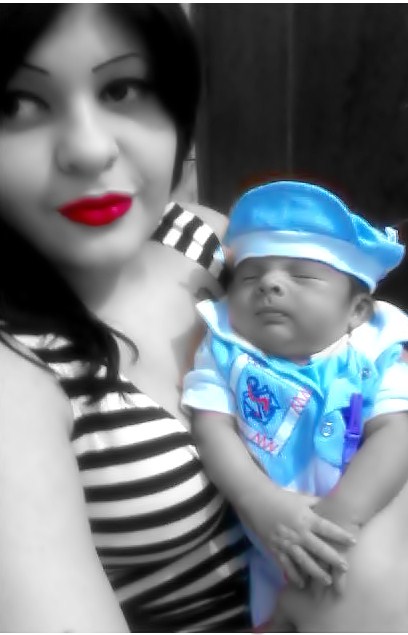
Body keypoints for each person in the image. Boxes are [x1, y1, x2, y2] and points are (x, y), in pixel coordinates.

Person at [0, 4, 251, 632]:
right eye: (16, 104)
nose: (88, 150)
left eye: (121, 89)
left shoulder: (206, 240)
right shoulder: (17, 364)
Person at [182, 180, 408, 627]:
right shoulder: (225, 349)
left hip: (370, 529)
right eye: (250, 276)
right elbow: (211, 428)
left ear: (357, 310)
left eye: (302, 275)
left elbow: (396, 433)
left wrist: (341, 519)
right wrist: (259, 500)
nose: (269, 284)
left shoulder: (373, 351)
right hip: (277, 545)